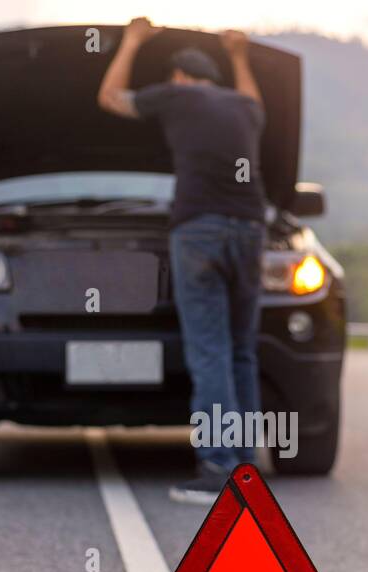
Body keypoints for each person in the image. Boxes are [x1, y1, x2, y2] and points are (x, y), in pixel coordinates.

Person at [97, 18, 267, 504]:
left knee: (210, 350)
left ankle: (217, 467)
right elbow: (255, 100)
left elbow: (110, 97)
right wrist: (240, 55)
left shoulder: (175, 98)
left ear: (179, 79)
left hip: (201, 230)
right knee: (241, 351)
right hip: (251, 229)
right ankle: (245, 466)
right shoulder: (244, 107)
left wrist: (131, 42)